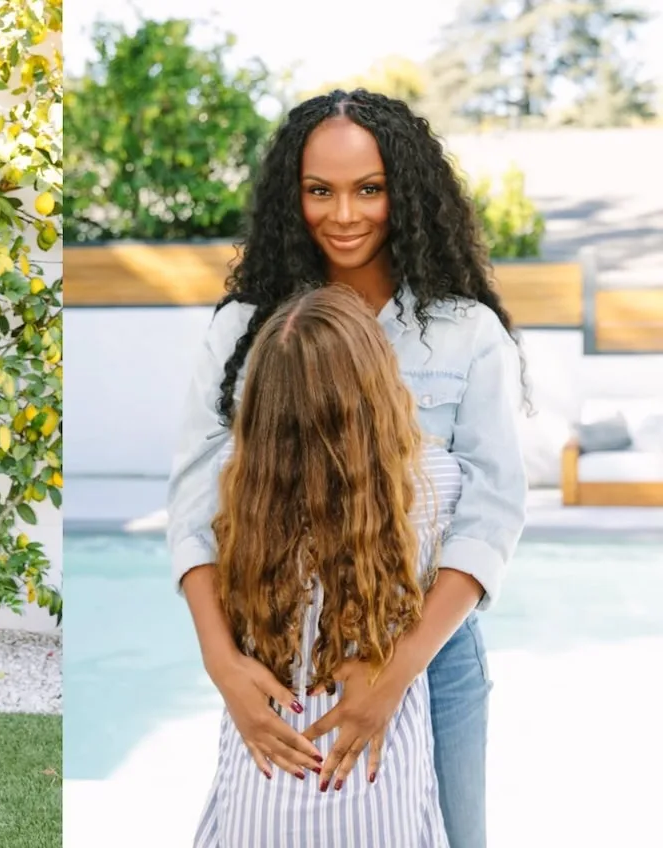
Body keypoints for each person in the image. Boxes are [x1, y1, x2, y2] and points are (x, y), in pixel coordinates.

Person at [167, 90, 528, 848]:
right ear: (290, 196)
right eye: (319, 190)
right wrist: (222, 663)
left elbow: (491, 513)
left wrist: (395, 671)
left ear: (406, 191)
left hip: (433, 656)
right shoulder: (243, 328)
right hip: (272, 648)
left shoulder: (467, 335)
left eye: (370, 188)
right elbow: (195, 499)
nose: (345, 214)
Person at [195, 283, 452, 845]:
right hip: (377, 798)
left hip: (258, 799)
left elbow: (196, 553)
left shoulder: (230, 488)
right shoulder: (436, 487)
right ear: (378, 384)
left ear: (260, 404)